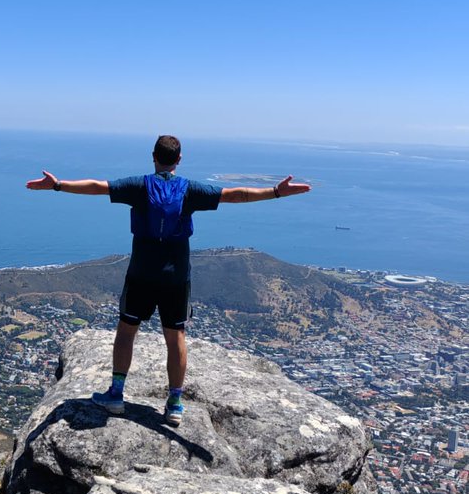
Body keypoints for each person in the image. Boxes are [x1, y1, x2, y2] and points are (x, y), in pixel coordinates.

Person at [26, 135, 311, 426]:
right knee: (175, 338)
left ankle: (116, 393)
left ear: (153, 156)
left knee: (127, 332)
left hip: (141, 272)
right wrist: (276, 192)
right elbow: (236, 194)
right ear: (179, 159)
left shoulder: (139, 186)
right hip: (176, 276)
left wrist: (58, 185)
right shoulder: (189, 189)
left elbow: (98, 187)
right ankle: (174, 403)